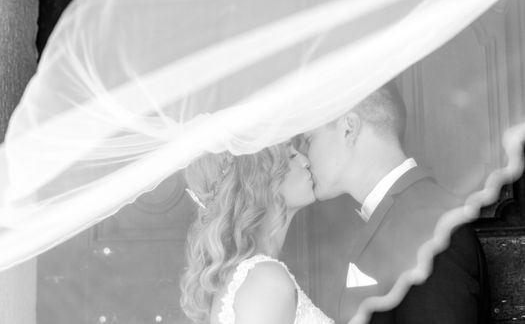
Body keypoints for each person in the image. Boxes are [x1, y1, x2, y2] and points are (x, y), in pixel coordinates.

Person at [304, 82, 490, 324]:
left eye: (309, 140)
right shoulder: (400, 215)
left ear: (349, 129)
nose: (305, 159)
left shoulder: (425, 224)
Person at [180, 142, 334, 324]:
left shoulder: (250, 276)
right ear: (260, 181)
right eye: (291, 156)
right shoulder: (266, 280)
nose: (305, 161)